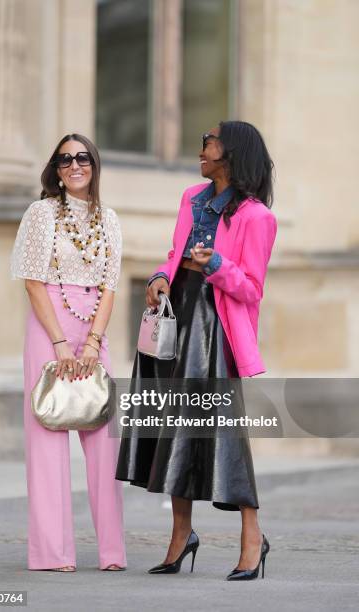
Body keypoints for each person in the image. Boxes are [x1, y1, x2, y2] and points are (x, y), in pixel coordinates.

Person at [116, 120, 277, 580]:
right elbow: (174, 253)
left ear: (231, 153)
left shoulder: (256, 216)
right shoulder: (191, 198)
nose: (201, 149)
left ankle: (252, 536)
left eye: (208, 143)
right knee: (173, 427)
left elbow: (251, 290)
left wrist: (220, 265)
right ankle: (181, 534)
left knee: (223, 433)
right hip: (175, 316)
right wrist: (159, 277)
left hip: (216, 327)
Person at [11, 133, 126, 572]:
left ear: (94, 165)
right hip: (50, 324)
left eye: (82, 158)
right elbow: (33, 282)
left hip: (93, 322)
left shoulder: (109, 219)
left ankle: (112, 552)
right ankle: (52, 552)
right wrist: (59, 341)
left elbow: (111, 284)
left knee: (103, 438)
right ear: (55, 169)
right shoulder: (41, 214)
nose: (74, 165)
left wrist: (93, 341)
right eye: (64, 160)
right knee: (48, 436)